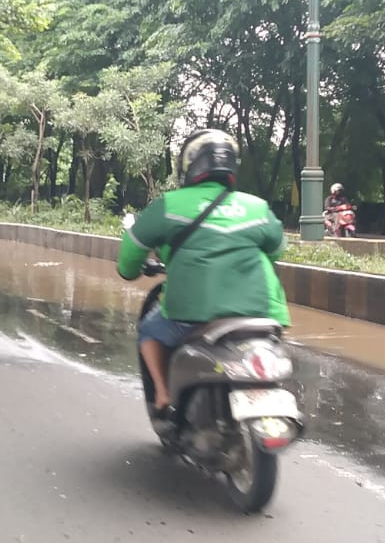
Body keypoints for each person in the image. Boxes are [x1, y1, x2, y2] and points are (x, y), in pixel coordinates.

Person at [116, 129, 290, 416]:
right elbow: (276, 251)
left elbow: (131, 253)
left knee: (149, 330)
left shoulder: (170, 206)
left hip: (191, 315)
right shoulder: (257, 207)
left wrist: (130, 270)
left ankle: (163, 394)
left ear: (189, 165)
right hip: (262, 314)